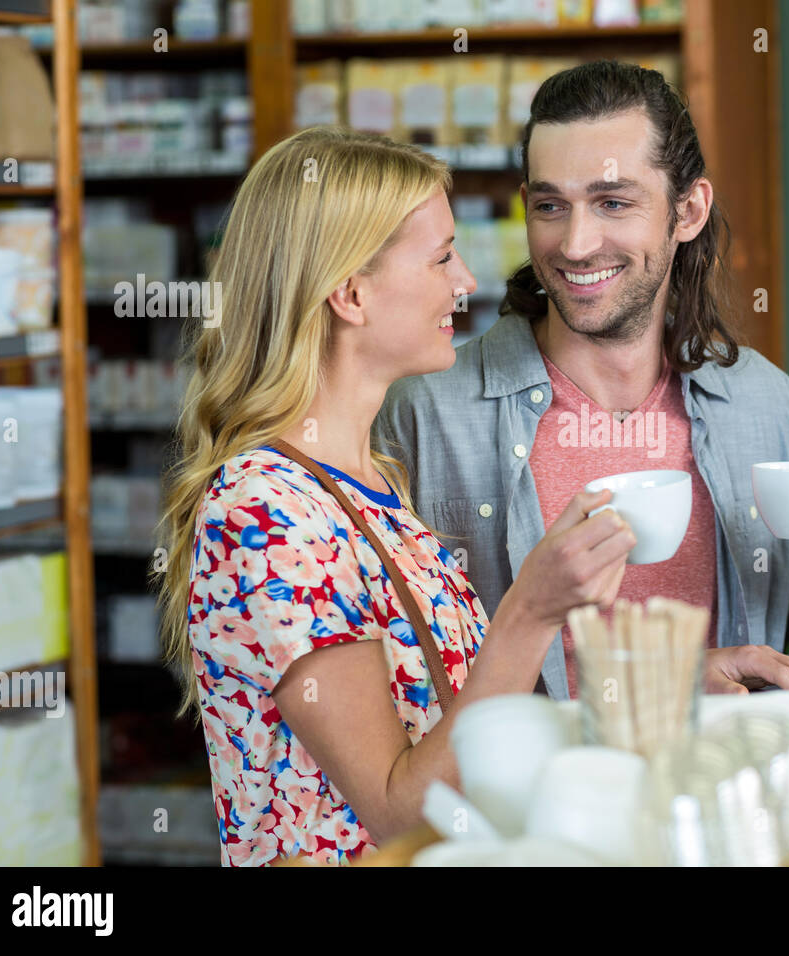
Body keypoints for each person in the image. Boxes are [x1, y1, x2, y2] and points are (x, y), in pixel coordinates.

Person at [154, 127, 642, 866]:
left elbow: (450, 718)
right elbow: (395, 810)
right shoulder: (265, 511)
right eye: (442, 256)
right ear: (350, 293)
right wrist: (531, 610)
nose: (467, 281)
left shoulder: (373, 477)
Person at [385, 60, 789, 702]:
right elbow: (395, 690)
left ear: (687, 211)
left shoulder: (757, 402)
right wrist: (661, 693)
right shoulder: (425, 413)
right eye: (550, 205)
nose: (574, 242)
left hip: (720, 789)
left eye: (612, 202)